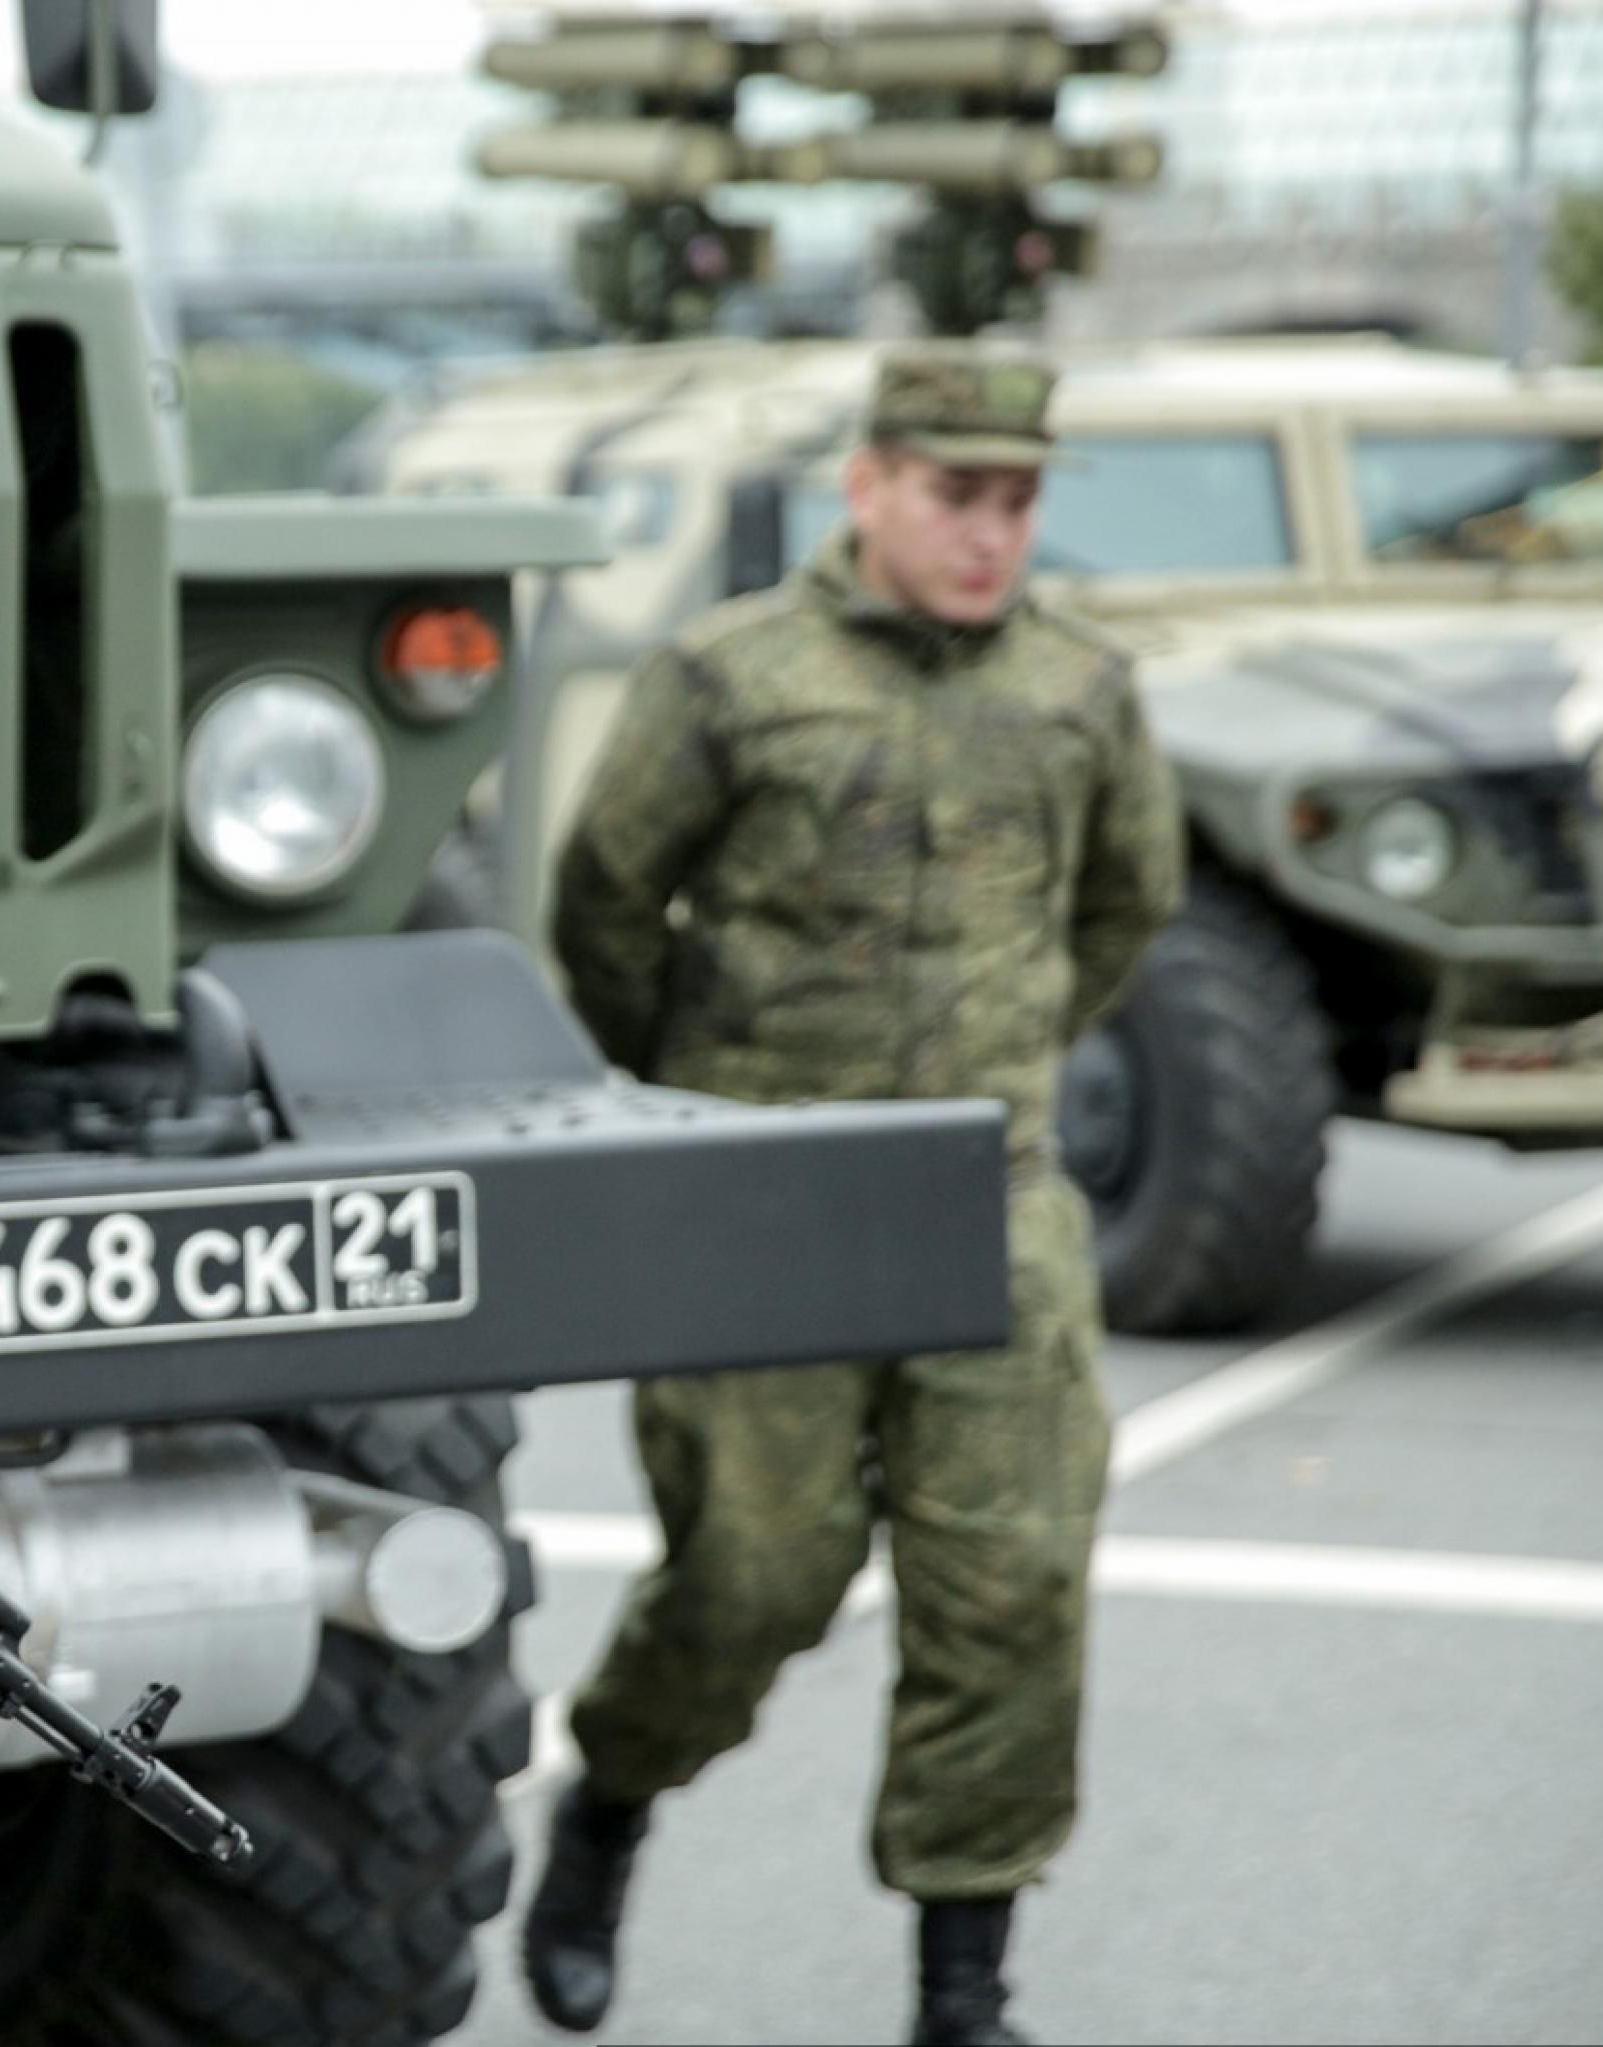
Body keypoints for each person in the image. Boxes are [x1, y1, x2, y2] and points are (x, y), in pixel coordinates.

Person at [520, 346, 1183, 2047]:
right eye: (955, 495)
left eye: (1015, 501)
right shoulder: (727, 674)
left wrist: (1003, 1063)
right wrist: (700, 1098)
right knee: (752, 1578)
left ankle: (964, 1995)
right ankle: (607, 1802)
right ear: (867, 483)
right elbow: (604, 906)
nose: (988, 534)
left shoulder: (1081, 688)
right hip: (768, 1202)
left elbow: (1121, 907)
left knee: (1008, 1595)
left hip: (987, 1201)